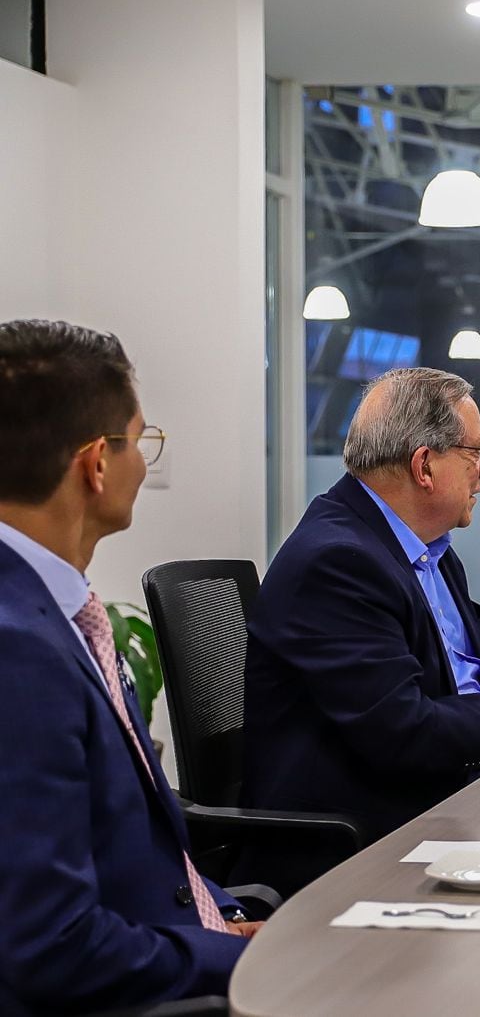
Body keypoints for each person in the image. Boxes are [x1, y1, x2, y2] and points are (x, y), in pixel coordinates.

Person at [0, 320, 258, 1013]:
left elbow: (124, 835)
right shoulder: (17, 647)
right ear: (97, 463)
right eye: (141, 439)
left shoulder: (52, 605)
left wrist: (225, 914)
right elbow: (54, 946)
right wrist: (241, 954)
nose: (146, 462)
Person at [237, 367, 480, 894]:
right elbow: (401, 730)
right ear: (424, 465)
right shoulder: (338, 561)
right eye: (477, 454)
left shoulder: (429, 552)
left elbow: (457, 689)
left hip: (436, 805)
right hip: (356, 847)